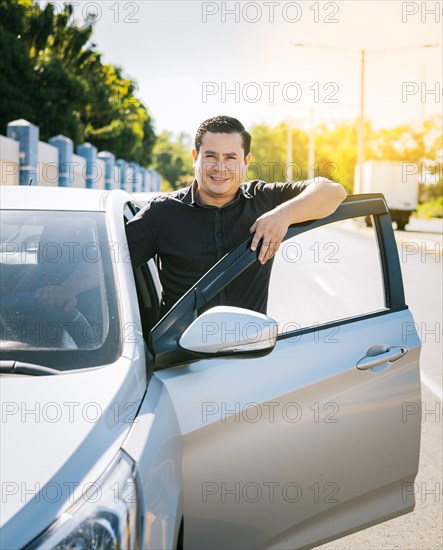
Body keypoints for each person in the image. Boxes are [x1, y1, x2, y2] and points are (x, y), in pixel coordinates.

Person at [125, 115, 346, 316]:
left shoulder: (264, 199)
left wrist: (282, 215)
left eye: (231, 158)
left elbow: (333, 191)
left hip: (245, 355)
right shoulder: (162, 213)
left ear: (246, 161)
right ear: (195, 157)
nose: (220, 168)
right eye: (211, 156)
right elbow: (107, 270)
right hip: (178, 356)